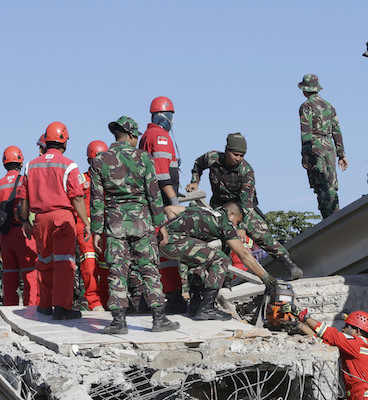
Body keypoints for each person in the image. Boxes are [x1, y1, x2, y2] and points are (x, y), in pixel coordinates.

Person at [90, 116, 180, 334]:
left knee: (117, 272)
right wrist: (162, 226)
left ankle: (119, 323)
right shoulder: (143, 158)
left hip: (115, 225)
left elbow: (97, 199)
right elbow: (154, 195)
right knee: (149, 269)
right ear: (131, 135)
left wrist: (96, 231)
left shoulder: (99, 160)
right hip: (142, 224)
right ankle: (159, 320)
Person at [186, 133, 304, 280]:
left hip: (241, 208)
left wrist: (241, 226)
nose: (238, 158)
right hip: (219, 206)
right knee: (218, 239)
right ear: (227, 150)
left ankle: (289, 264)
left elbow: (246, 203)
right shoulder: (212, 158)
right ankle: (223, 277)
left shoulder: (246, 171)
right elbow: (198, 165)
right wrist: (194, 182)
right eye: (235, 154)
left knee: (259, 233)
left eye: (241, 155)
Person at [159, 202, 279, 320]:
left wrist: (177, 231)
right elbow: (244, 254)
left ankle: (195, 306)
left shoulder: (203, 210)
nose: (236, 226)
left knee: (198, 260)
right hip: (175, 243)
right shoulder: (225, 223)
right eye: (237, 222)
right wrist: (267, 278)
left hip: (163, 242)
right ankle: (207, 307)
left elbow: (169, 209)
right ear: (230, 214)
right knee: (221, 259)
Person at [20, 122, 89, 320]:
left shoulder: (31, 165)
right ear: (64, 141)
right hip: (62, 218)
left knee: (44, 261)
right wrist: (86, 222)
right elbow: (76, 197)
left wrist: (25, 220)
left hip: (40, 220)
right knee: (64, 263)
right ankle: (62, 307)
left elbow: (23, 197)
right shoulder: (69, 165)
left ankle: (44, 305)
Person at [138, 96, 187, 312]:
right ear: (167, 115)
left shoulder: (146, 136)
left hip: (150, 203)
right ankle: (174, 296)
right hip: (162, 204)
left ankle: (146, 297)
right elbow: (162, 175)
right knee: (166, 250)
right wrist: (175, 204)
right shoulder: (160, 137)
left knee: (152, 252)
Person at [283, 305, 368, 400]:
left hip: (365, 396)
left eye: (347, 326)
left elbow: (329, 334)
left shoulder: (357, 344)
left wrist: (303, 316)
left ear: (357, 330)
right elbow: (323, 343)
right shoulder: (354, 346)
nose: (343, 329)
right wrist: (299, 325)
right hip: (360, 395)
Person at [0, 145, 39, 306]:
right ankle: (32, 311)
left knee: (9, 276)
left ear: (4, 163)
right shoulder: (26, 180)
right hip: (25, 234)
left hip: (5, 237)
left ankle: (10, 311)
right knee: (30, 276)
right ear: (21, 162)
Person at [297, 74, 348, 218]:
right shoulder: (329, 106)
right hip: (329, 146)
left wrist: (305, 154)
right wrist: (341, 154)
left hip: (315, 146)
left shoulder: (306, 106)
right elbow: (336, 130)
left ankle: (328, 218)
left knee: (320, 185)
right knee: (331, 185)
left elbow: (306, 131)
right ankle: (336, 214)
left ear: (305, 90)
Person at [75, 140, 110, 311]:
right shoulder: (81, 179)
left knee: (106, 265)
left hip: (106, 226)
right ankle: (93, 300)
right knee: (89, 263)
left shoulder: (111, 180)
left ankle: (107, 298)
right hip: (85, 225)